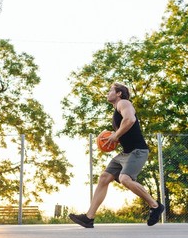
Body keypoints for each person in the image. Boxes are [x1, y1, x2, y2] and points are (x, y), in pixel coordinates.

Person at [69, 83, 164, 228]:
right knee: (104, 178)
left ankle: (155, 206)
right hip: (125, 153)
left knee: (124, 179)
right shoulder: (117, 110)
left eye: (110, 91)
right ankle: (89, 217)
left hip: (138, 151)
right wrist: (114, 138)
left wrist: (116, 135)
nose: (107, 93)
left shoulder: (123, 103)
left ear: (119, 93)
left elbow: (130, 120)